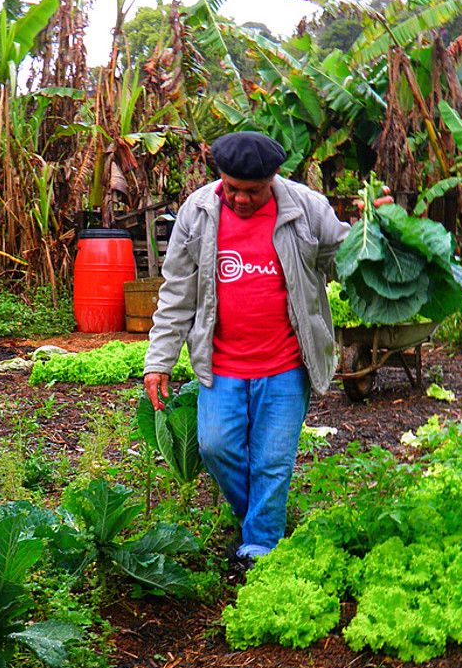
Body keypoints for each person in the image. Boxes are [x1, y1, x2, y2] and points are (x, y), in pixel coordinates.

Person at [143, 131, 349, 566]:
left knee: (273, 459)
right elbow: (177, 291)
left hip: (286, 362)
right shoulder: (198, 213)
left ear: (272, 179)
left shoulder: (307, 209)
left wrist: (375, 231)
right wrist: (159, 361)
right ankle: (257, 514)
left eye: (251, 191)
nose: (238, 198)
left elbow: (345, 257)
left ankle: (260, 546)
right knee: (216, 447)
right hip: (222, 364)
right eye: (230, 187)